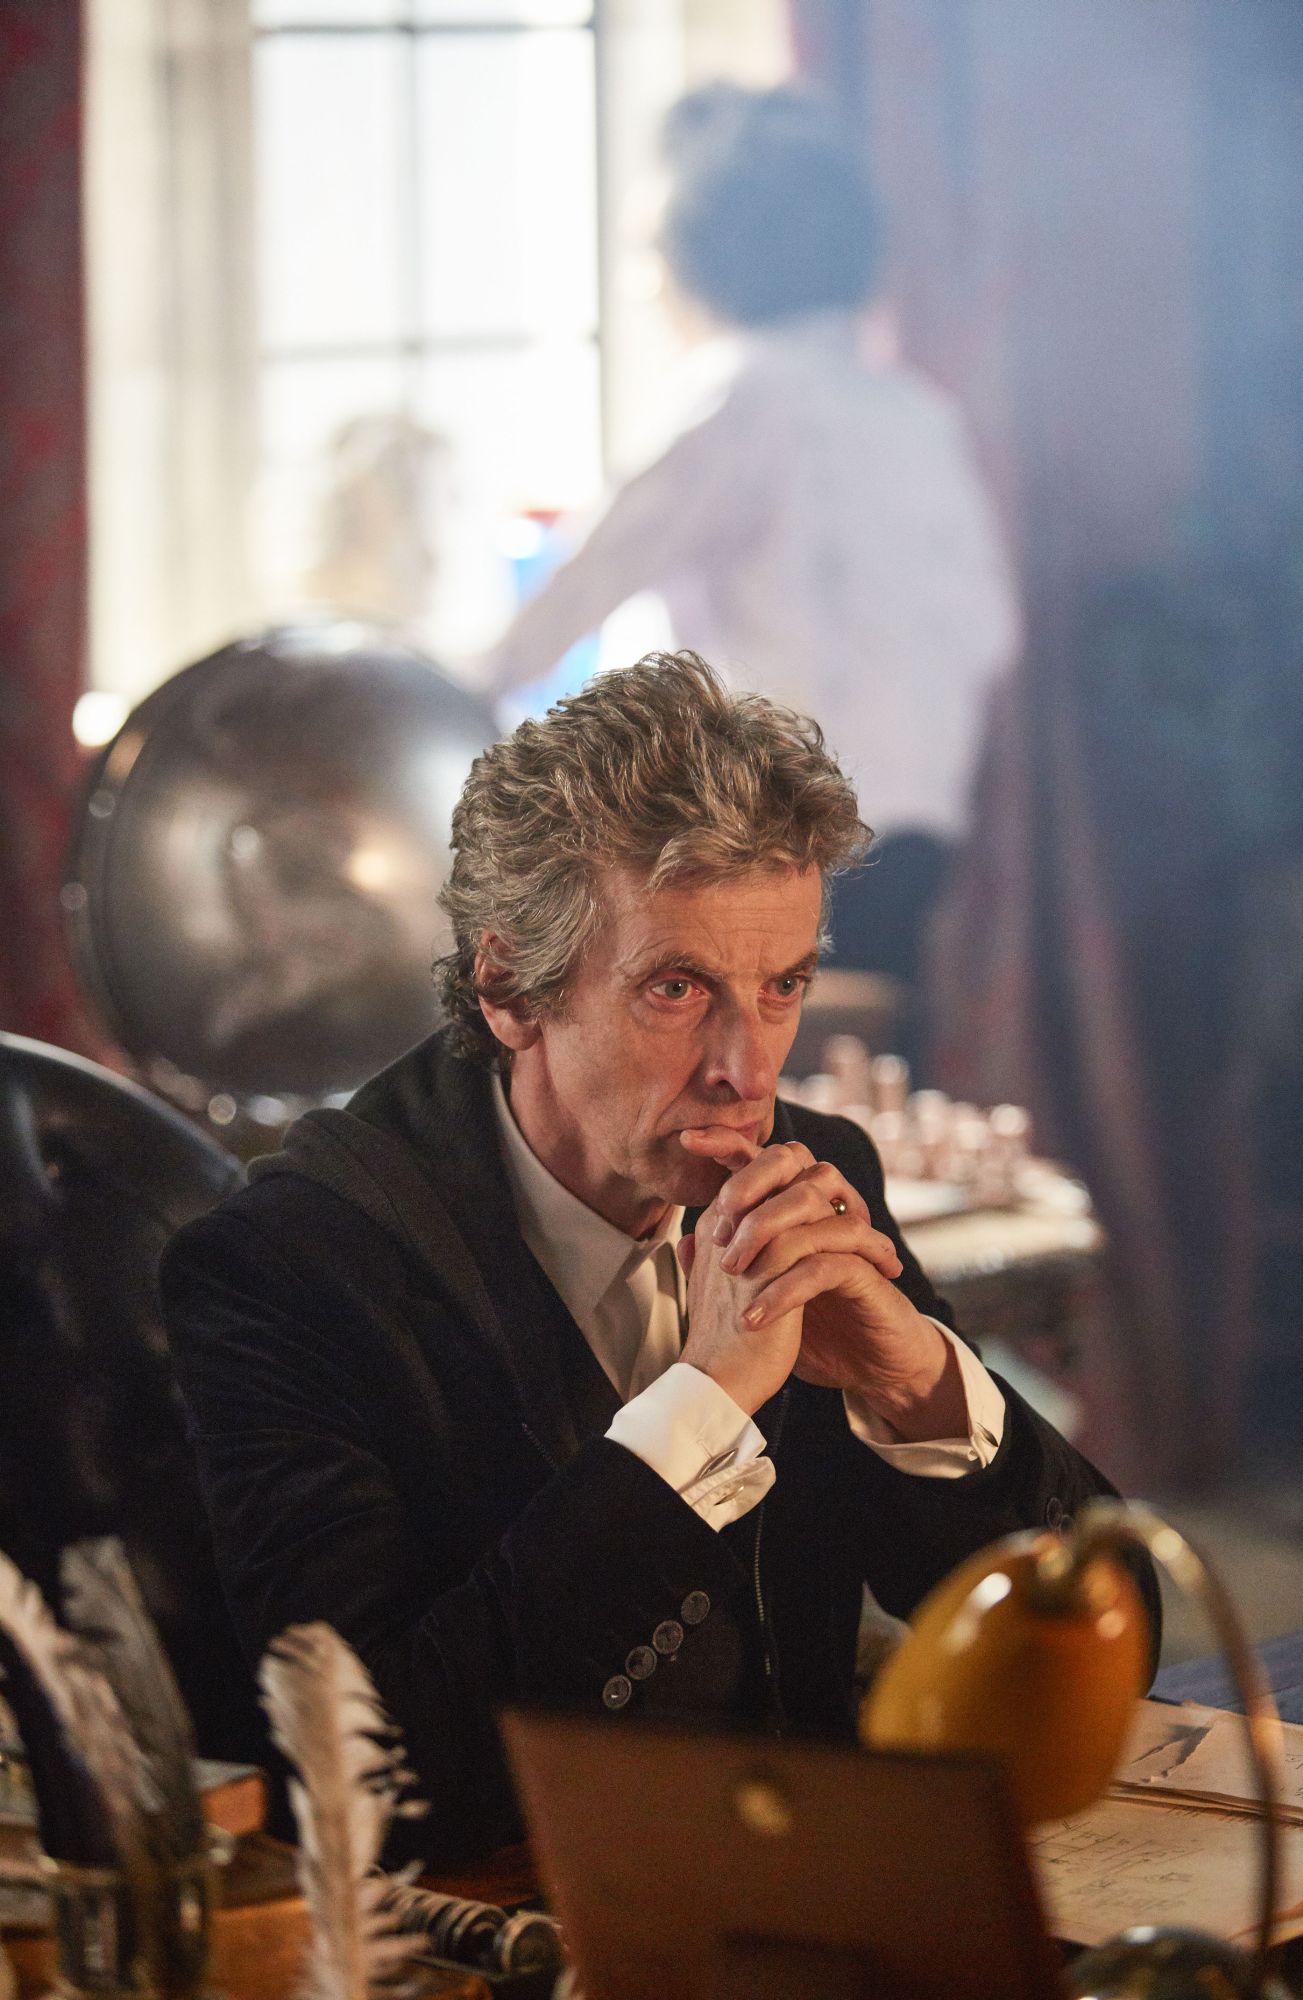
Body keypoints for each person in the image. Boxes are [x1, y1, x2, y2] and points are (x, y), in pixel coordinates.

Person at [161, 653, 1156, 1868]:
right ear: (506, 984)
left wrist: (917, 1385)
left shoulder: (812, 1165)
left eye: (782, 985)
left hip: (810, 1889)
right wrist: (703, 1405)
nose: (748, 1069)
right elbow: (375, 1783)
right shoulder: (287, 1264)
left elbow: (1123, 1634)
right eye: (677, 987)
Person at [481, 86, 1021, 993]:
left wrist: (452, 692)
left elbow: (580, 584)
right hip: (920, 834)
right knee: (857, 1055)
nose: (642, 282)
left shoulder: (738, 398)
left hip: (780, 836)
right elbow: (991, 632)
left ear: (704, 251)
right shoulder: (916, 413)